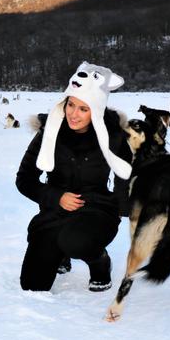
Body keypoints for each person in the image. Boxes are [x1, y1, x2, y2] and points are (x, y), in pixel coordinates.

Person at [16, 62, 132, 293]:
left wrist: (129, 208)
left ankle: (99, 260)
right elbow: (25, 178)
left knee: (76, 241)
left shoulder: (114, 137)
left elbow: (126, 181)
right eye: (71, 104)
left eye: (83, 108)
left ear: (96, 110)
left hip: (97, 209)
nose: (73, 114)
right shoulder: (49, 132)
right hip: (55, 211)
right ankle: (59, 253)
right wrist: (56, 197)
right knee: (32, 286)